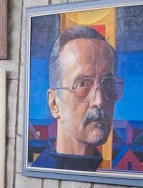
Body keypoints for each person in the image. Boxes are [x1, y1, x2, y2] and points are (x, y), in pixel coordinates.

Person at [32, 26, 123, 171]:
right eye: (82, 84)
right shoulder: (39, 177)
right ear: (54, 103)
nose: (99, 101)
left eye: (108, 83)